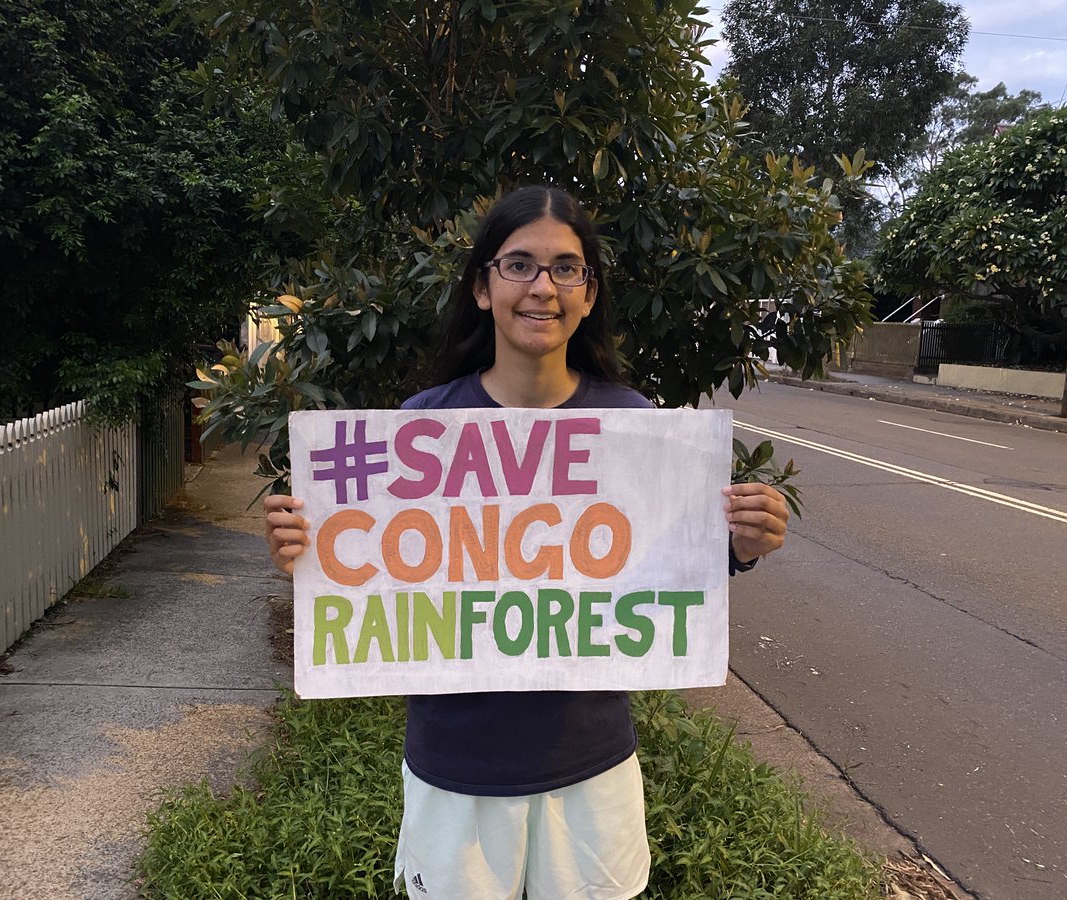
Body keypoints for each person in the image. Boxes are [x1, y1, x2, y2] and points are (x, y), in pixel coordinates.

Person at [264, 186, 790, 899]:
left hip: (590, 765)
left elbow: (666, 562)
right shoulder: (419, 429)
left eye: (566, 268)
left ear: (588, 293)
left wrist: (744, 543)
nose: (543, 287)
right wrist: (305, 548)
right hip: (455, 768)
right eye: (519, 265)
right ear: (483, 288)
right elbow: (365, 561)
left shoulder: (637, 427)